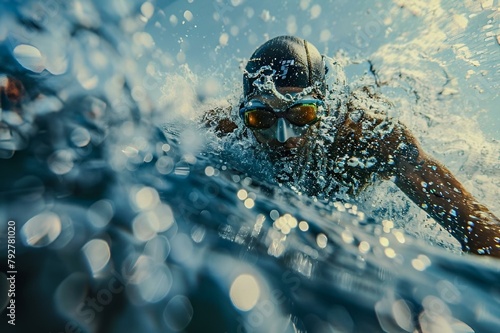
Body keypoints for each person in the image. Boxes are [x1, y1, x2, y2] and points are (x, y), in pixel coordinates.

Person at [204, 35, 500, 258]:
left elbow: (472, 224)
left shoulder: (371, 134)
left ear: (324, 104)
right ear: (245, 114)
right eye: (262, 117)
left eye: (302, 114)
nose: (282, 136)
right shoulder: (230, 125)